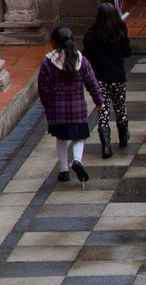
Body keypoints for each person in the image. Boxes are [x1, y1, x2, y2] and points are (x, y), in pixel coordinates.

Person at [38, 26, 105, 185]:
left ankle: (63, 171)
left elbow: (43, 87)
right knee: (78, 136)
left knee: (60, 138)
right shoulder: (81, 60)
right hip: (77, 108)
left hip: (56, 109)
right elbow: (92, 82)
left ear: (54, 42)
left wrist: (47, 105)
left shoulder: (48, 62)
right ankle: (76, 160)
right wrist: (99, 101)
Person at [83, 2, 132, 157]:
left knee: (102, 110)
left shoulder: (91, 36)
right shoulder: (120, 33)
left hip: (100, 78)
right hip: (117, 77)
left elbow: (87, 56)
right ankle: (123, 137)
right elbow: (127, 52)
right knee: (120, 106)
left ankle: (105, 146)